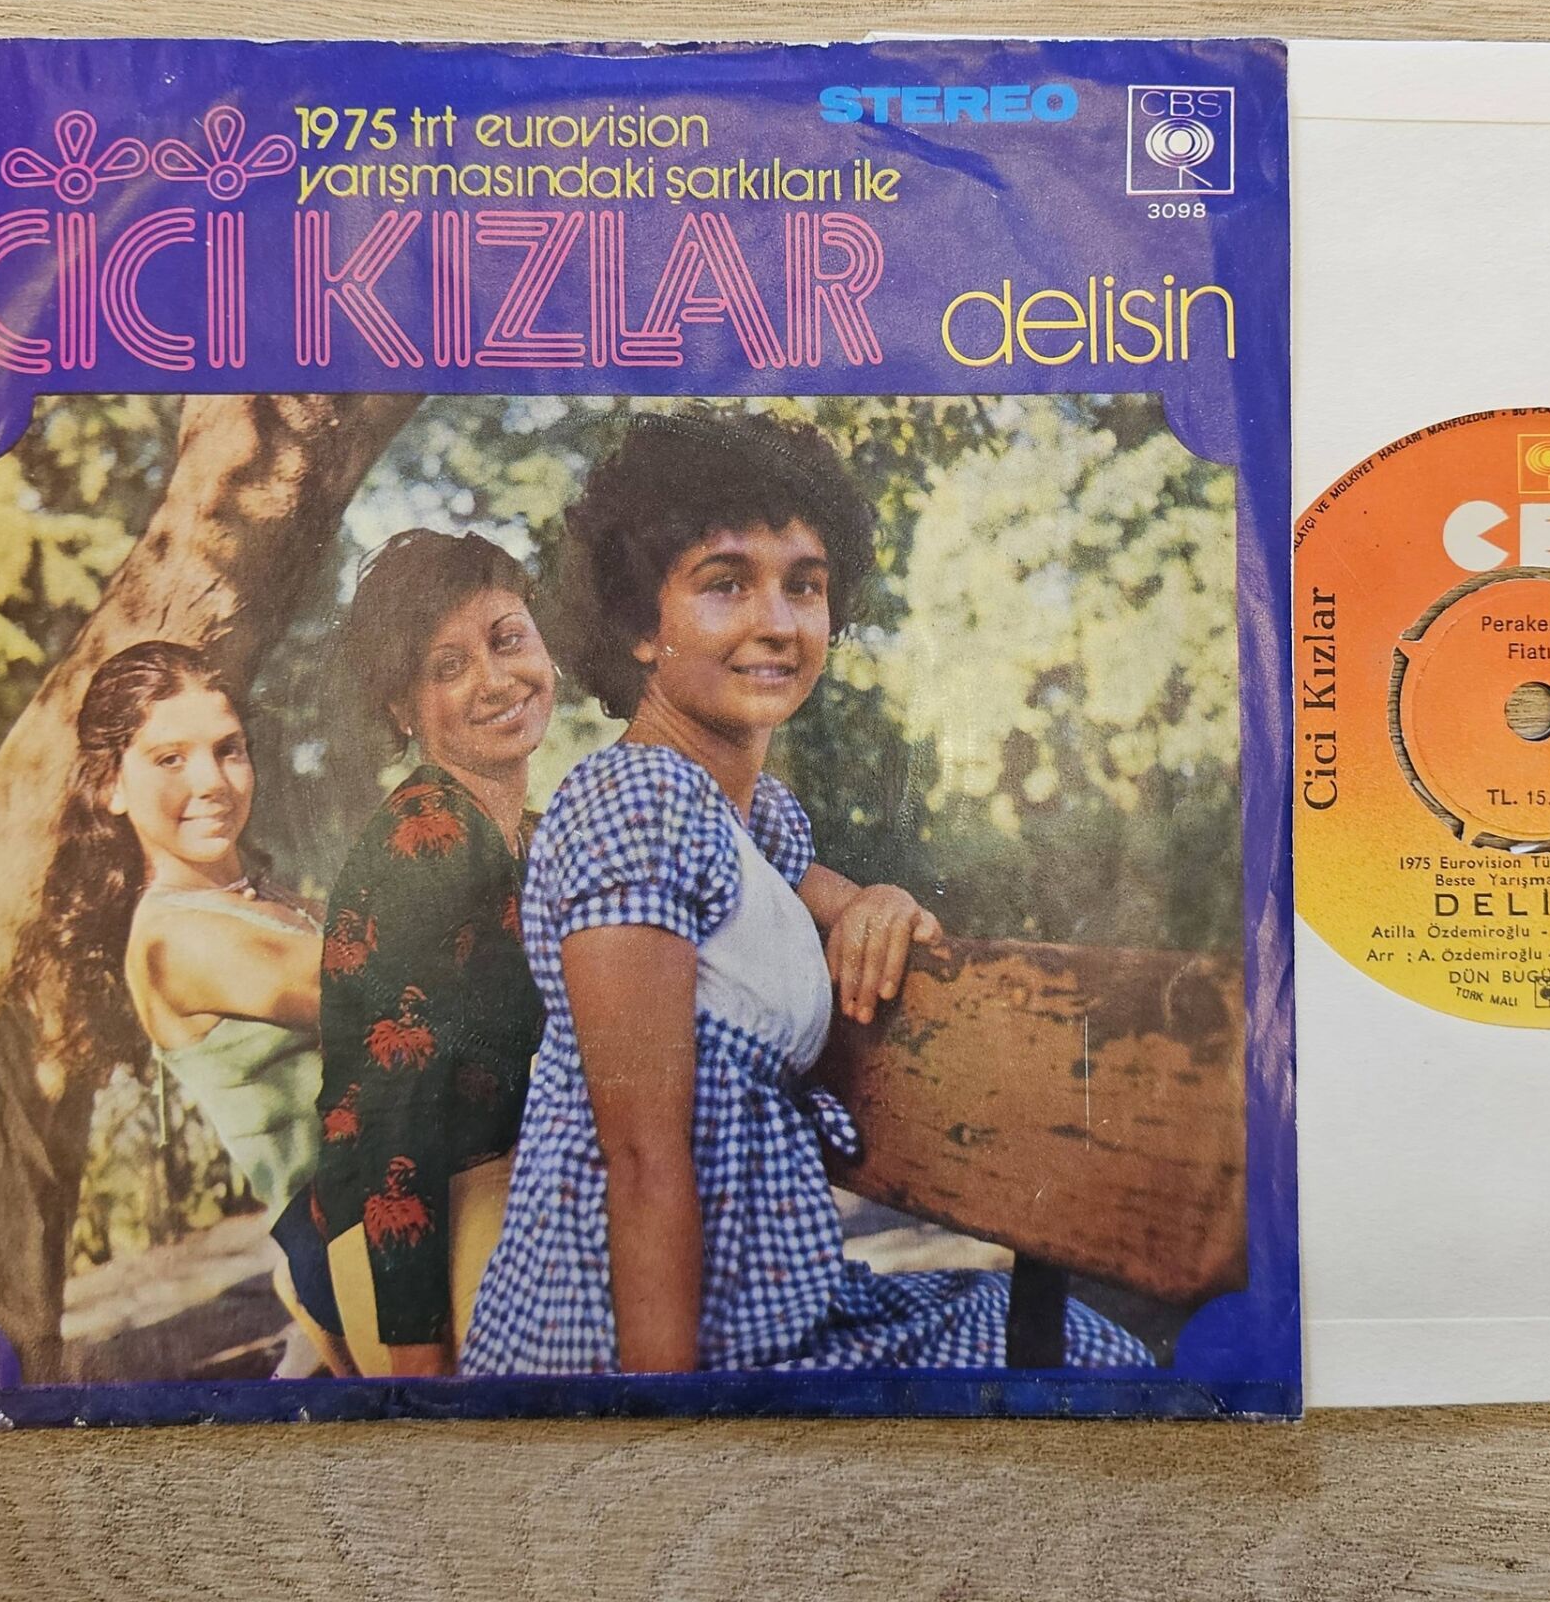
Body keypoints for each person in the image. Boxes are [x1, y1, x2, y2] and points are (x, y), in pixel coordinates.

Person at [461, 410, 1150, 1375]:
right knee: (1087, 1362)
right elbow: (642, 1162)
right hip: (638, 1354)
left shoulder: (742, 819)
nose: (778, 623)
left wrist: (881, 901)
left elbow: (812, 893)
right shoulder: (639, 802)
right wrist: (667, 1432)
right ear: (641, 626)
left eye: (805, 585)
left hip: (777, 1312)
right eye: (725, 583)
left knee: (1080, 1345)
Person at [12, 640, 350, 1376]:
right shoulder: (175, 938)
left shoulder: (268, 899)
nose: (212, 782)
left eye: (229, 750)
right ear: (112, 785)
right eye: (170, 759)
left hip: (387, 1211)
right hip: (352, 1242)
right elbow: (389, 991)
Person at [313, 530, 554, 1376]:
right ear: (402, 709)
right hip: (411, 1246)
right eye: (448, 666)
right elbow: (396, 1104)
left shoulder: (527, 832)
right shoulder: (430, 835)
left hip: (490, 1193)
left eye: (508, 639)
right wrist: (419, 1361)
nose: (496, 679)